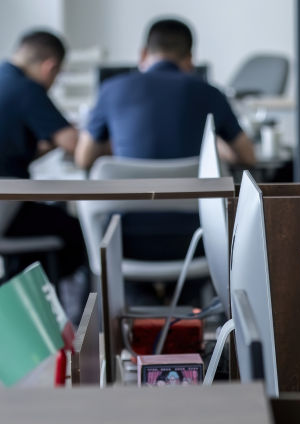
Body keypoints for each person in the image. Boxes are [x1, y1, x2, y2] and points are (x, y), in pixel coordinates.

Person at [75, 17, 255, 170]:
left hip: (129, 198)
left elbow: (83, 159)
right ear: (190, 59)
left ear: (143, 54)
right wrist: (215, 146)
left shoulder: (111, 89)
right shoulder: (212, 94)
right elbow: (248, 156)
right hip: (190, 199)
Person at [0, 29, 87, 291]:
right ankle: (28, 297)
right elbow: (74, 144)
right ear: (50, 67)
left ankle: (17, 291)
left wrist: (50, 141)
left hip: (8, 207)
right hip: (6, 212)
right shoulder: (27, 89)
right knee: (80, 233)